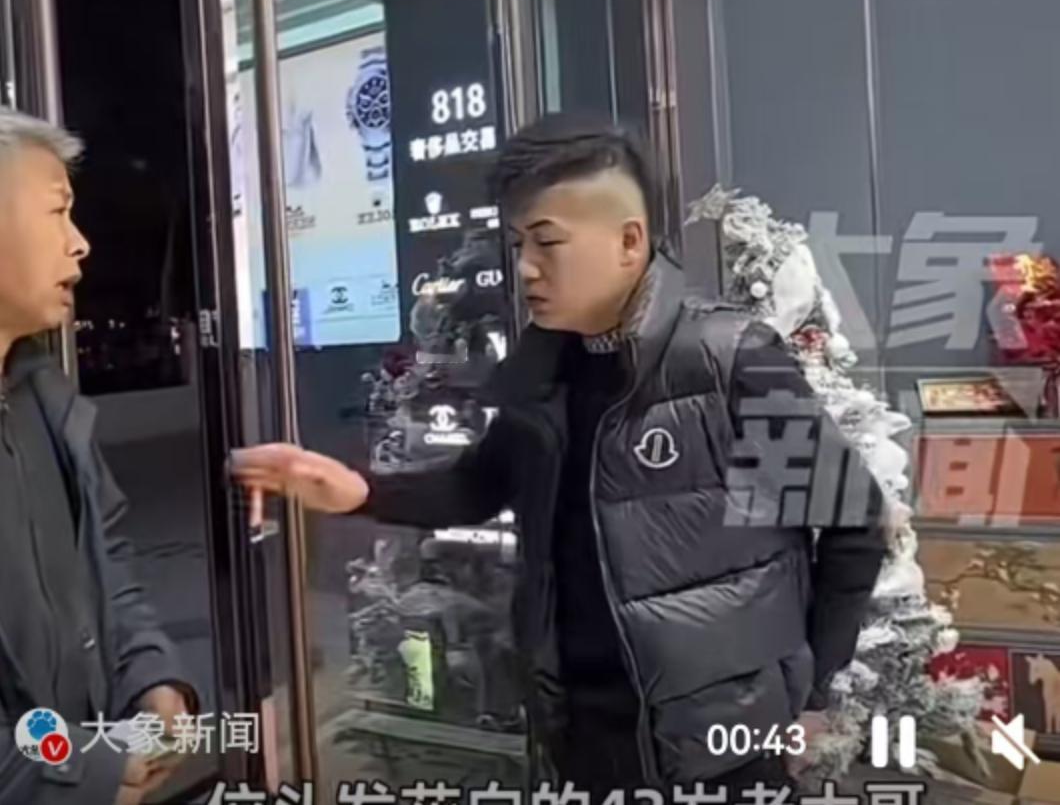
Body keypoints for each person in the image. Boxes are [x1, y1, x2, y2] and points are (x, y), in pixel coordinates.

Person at [233, 114, 888, 796]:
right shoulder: (544, 373)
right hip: (581, 733)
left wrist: (812, 691)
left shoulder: (730, 361)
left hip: (727, 747)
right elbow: (479, 487)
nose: (525, 267)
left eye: (548, 242)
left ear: (629, 241)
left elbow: (854, 520)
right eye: (519, 242)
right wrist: (359, 491)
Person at [0, 109, 197, 805]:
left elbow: (105, 565)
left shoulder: (45, 402)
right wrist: (69, 772)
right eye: (57, 211)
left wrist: (151, 677)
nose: (79, 243)